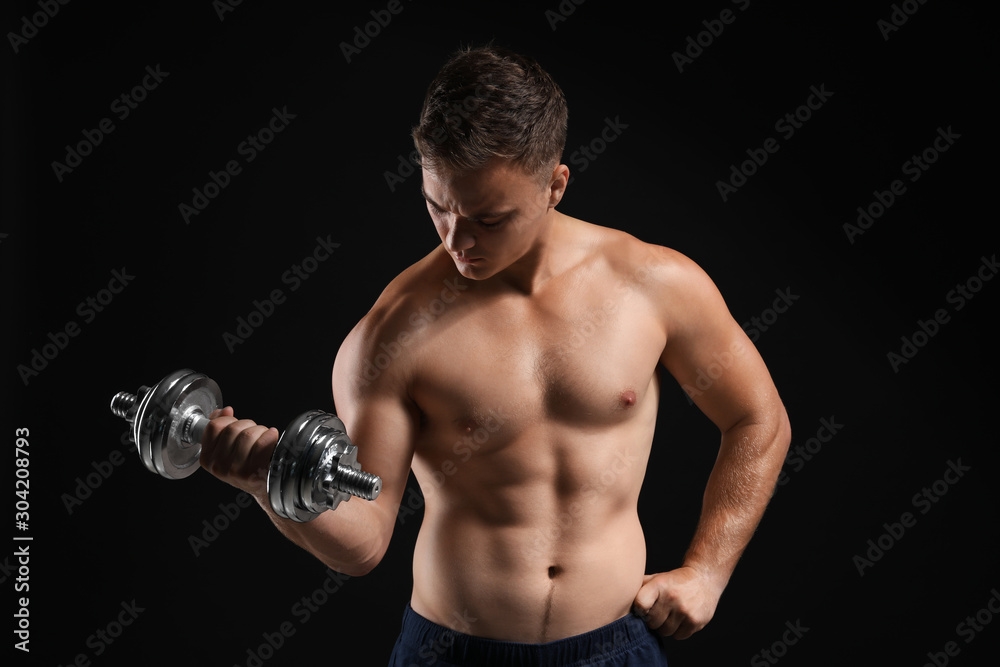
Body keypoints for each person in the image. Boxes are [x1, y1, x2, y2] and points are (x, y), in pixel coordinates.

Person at [199, 45, 791, 666]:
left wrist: (707, 572)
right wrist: (270, 483)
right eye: (438, 207)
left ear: (555, 185)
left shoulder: (653, 285)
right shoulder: (391, 334)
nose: (458, 241)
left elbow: (758, 419)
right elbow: (364, 541)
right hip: (452, 652)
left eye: (489, 218)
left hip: (615, 645)